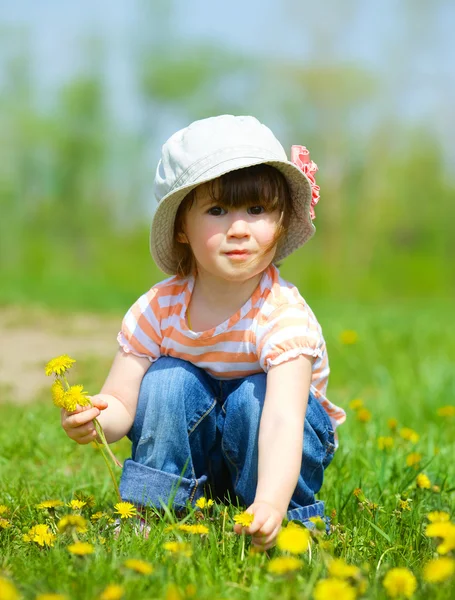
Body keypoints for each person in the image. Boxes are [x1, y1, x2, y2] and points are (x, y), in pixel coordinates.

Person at [61, 115, 346, 549]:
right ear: (181, 227)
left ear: (282, 222)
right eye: (217, 210)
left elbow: (283, 419)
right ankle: (157, 507)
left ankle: (282, 519)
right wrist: (96, 418)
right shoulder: (158, 308)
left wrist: (271, 499)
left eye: (257, 210)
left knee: (258, 394)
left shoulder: (283, 315)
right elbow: (122, 400)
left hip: (274, 455)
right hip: (200, 455)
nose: (239, 228)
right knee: (166, 379)